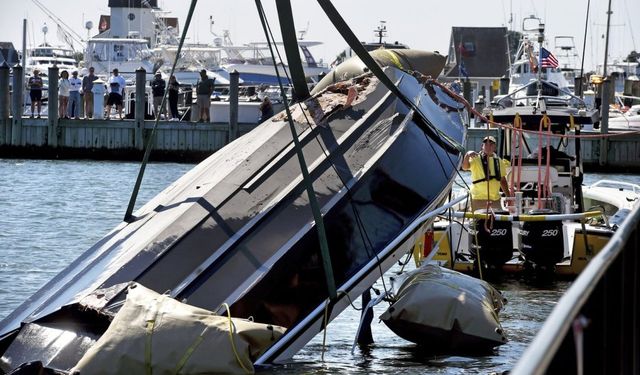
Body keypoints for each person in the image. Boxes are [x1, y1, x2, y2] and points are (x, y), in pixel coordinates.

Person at [462, 135, 512, 211]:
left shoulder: (499, 161)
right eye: (486, 144)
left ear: (495, 147)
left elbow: (503, 180)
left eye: (491, 144)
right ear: (482, 146)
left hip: (495, 200)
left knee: (497, 221)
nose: (488, 146)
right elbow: (465, 167)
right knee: (478, 221)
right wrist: (467, 155)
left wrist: (508, 197)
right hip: (478, 199)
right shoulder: (475, 158)